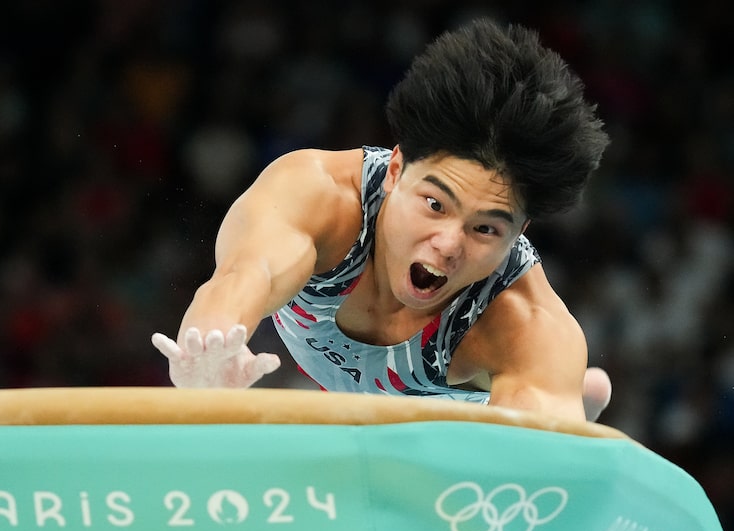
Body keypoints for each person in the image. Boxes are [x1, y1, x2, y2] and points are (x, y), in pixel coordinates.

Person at [152, 18, 613, 422]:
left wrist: (551, 431)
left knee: (547, 403)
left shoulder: (522, 323)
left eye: (486, 228)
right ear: (395, 170)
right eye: (436, 204)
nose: (449, 244)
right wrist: (210, 346)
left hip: (450, 424)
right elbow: (246, 274)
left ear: (519, 233)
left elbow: (531, 487)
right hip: (359, 396)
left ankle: (574, 403)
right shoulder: (319, 197)